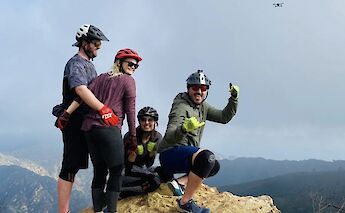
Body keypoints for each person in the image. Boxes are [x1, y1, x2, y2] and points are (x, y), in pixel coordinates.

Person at [59, 48, 142, 213]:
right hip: (108, 128)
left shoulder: (100, 78)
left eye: (136, 65)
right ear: (119, 62)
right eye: (130, 63)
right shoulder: (128, 81)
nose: (133, 67)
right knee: (117, 169)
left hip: (89, 129)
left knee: (100, 170)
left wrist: (66, 113)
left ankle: (98, 210)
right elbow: (131, 110)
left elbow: (81, 97)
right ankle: (111, 210)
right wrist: (133, 136)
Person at [157, 70, 239, 213]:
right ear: (188, 88)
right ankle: (185, 203)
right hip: (170, 154)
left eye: (203, 88)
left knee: (214, 165)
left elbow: (223, 117)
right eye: (195, 88)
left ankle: (179, 184)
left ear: (207, 90)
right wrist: (183, 129)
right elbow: (169, 136)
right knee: (207, 157)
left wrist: (234, 98)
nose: (199, 92)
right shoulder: (181, 106)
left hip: (185, 155)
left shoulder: (203, 106)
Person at [53, 24, 111, 213]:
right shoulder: (76, 63)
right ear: (84, 43)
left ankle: (100, 206)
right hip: (76, 122)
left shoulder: (89, 66)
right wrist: (103, 109)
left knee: (101, 162)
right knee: (70, 166)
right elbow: (80, 90)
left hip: (87, 120)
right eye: (96, 43)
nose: (98, 47)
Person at [120, 106, 162, 198]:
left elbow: (148, 164)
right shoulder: (131, 136)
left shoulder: (157, 137)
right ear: (139, 121)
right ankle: (122, 192)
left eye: (150, 120)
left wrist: (152, 153)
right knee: (154, 180)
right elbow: (127, 166)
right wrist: (133, 153)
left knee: (164, 173)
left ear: (155, 122)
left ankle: (135, 189)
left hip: (141, 170)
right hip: (125, 171)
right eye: (143, 120)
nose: (146, 123)